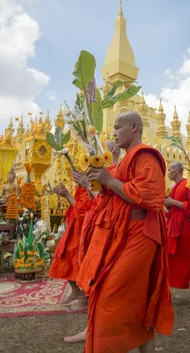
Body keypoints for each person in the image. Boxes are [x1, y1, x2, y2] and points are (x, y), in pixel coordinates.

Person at [79, 112, 174, 353]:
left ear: (134, 127)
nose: (113, 133)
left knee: (110, 297)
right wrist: (99, 182)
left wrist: (109, 181)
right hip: (121, 231)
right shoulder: (125, 160)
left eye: (117, 127)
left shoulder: (145, 155)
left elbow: (149, 196)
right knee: (131, 300)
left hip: (140, 234)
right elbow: (117, 195)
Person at [64, 141, 121, 345]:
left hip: (107, 230)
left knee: (100, 284)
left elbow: (107, 202)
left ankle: (95, 330)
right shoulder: (108, 171)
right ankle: (93, 328)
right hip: (96, 227)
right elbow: (95, 201)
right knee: (94, 281)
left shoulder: (116, 171)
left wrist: (87, 186)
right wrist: (87, 186)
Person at [49, 172, 95, 310]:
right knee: (64, 256)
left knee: (80, 262)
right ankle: (75, 291)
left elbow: (83, 212)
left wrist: (67, 196)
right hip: (73, 229)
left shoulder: (92, 187)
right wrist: (66, 194)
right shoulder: (80, 188)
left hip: (84, 229)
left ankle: (87, 298)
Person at [164, 161, 190, 289]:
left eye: (169, 169)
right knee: (173, 255)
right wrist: (167, 203)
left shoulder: (188, 185)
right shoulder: (173, 187)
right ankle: (173, 282)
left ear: (176, 170)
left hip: (184, 226)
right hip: (173, 224)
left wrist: (173, 202)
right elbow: (171, 207)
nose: (168, 172)